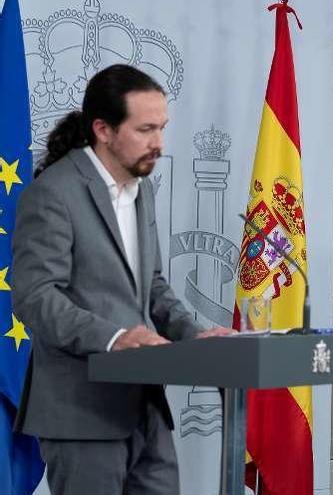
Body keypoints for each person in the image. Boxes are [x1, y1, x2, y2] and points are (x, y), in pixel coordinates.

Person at [11, 64, 234, 495]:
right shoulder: (52, 194)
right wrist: (115, 338)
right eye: (145, 129)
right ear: (103, 130)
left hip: (145, 409)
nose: (159, 144)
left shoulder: (141, 188)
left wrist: (194, 336)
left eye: (162, 128)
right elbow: (35, 297)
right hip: (81, 412)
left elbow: (152, 286)